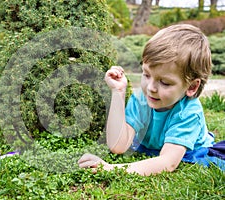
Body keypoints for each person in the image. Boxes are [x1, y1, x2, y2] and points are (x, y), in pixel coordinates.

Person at [78, 24, 225, 176]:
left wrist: (111, 169)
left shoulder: (188, 112)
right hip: (152, 146)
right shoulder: (141, 98)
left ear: (192, 87)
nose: (150, 88)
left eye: (165, 82)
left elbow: (168, 162)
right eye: (147, 75)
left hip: (188, 151)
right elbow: (118, 146)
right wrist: (118, 93)